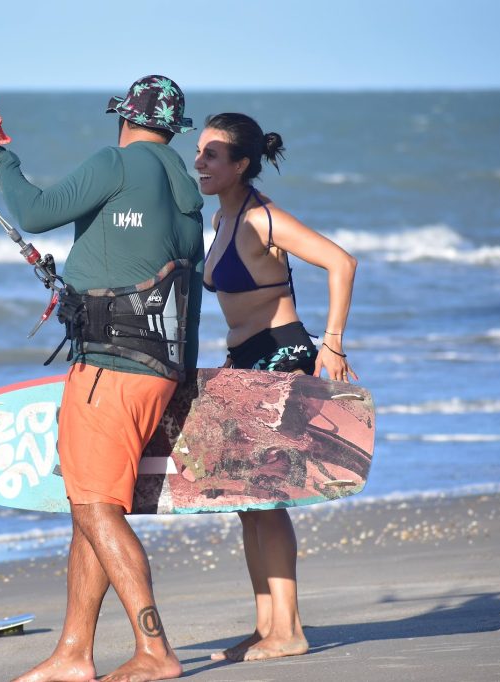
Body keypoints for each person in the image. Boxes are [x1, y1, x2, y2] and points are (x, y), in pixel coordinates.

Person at [0, 75, 204, 682]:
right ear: (174, 129)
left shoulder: (117, 162)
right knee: (91, 508)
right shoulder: (188, 194)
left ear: (124, 117)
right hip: (160, 369)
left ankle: (154, 651)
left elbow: (35, 213)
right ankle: (73, 654)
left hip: (109, 369)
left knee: (94, 507)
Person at [193, 112, 358, 662]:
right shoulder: (222, 218)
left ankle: (288, 631)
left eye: (213, 155)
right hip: (243, 359)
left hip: (282, 355)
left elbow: (340, 261)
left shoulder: (263, 218)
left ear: (241, 164)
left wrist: (332, 344)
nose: (200, 162)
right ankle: (267, 626)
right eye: (199, 153)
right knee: (246, 502)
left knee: (266, 497)